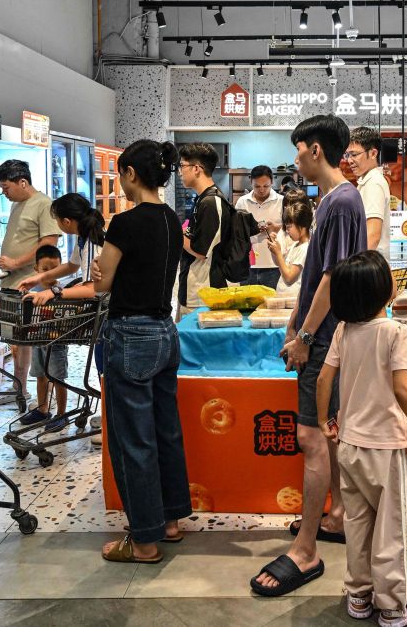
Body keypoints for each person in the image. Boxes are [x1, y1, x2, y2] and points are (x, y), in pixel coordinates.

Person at [251, 115, 366, 597]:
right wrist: (295, 324)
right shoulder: (333, 200)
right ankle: (335, 516)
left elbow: (331, 278)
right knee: (327, 433)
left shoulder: (340, 201)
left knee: (311, 434)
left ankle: (306, 549)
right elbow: (317, 273)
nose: (295, 158)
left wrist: (305, 335)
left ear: (315, 150)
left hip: (328, 337)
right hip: (321, 333)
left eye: (298, 149)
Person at [316, 251, 407, 626]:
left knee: (359, 523)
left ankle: (359, 595)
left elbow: (323, 380)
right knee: (393, 529)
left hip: (349, 445)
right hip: (388, 448)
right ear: (387, 293)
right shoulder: (397, 332)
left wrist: (324, 421)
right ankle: (396, 605)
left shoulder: (343, 330)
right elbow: (402, 388)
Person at [93, 139, 192, 563]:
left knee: (133, 439)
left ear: (131, 174)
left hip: (130, 335)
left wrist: (102, 269)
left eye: (121, 174)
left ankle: (144, 541)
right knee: (165, 430)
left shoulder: (125, 223)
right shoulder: (171, 219)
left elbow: (102, 283)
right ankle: (169, 522)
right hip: (165, 332)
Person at [17, 191, 108, 432]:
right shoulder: (83, 238)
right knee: (99, 367)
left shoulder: (93, 243)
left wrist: (54, 293)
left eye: (57, 220)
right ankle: (47, 409)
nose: (57, 225)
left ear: (67, 221)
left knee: (103, 368)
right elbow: (71, 266)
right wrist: (40, 277)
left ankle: (107, 417)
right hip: (101, 314)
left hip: (106, 315)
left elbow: (92, 289)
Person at [0, 159, 60, 406]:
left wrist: (15, 262)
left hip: (30, 284)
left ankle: (38, 393)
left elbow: (49, 243)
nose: (4, 192)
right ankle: (18, 387)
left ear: (23, 182)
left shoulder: (44, 204)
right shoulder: (16, 205)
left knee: (34, 340)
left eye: (6, 187)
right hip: (11, 283)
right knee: (17, 340)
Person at [13, 245, 73, 432]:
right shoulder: (32, 290)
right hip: (37, 340)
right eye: (45, 270)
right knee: (40, 375)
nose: (50, 274)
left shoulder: (60, 291)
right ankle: (42, 409)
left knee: (58, 378)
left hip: (57, 342)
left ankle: (62, 414)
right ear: (36, 270)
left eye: (54, 269)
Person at [177, 142, 229, 314]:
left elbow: (200, 250)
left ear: (196, 169)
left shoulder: (210, 202)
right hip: (198, 291)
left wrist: (176, 231)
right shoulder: (204, 199)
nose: (180, 172)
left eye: (182, 166)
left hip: (201, 295)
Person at [346, 126, 392, 262]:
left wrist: (352, 267)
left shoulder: (374, 183)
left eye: (354, 155)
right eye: (348, 155)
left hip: (369, 267)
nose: (349, 160)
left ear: (373, 153)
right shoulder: (367, 181)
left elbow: (372, 235)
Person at [237, 165, 285, 288]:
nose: (262, 190)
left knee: (272, 305)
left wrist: (276, 227)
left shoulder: (282, 201)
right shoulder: (242, 202)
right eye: (257, 186)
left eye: (266, 186)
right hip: (247, 265)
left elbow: (292, 229)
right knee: (246, 305)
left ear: (272, 182)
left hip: (273, 265)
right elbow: (235, 230)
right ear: (251, 182)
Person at [269, 200, 312, 300]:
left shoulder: (305, 248)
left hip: (293, 300)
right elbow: (280, 265)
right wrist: (274, 250)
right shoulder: (296, 244)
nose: (287, 231)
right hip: (285, 298)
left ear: (302, 225)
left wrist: (278, 253)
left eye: (289, 227)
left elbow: (289, 279)